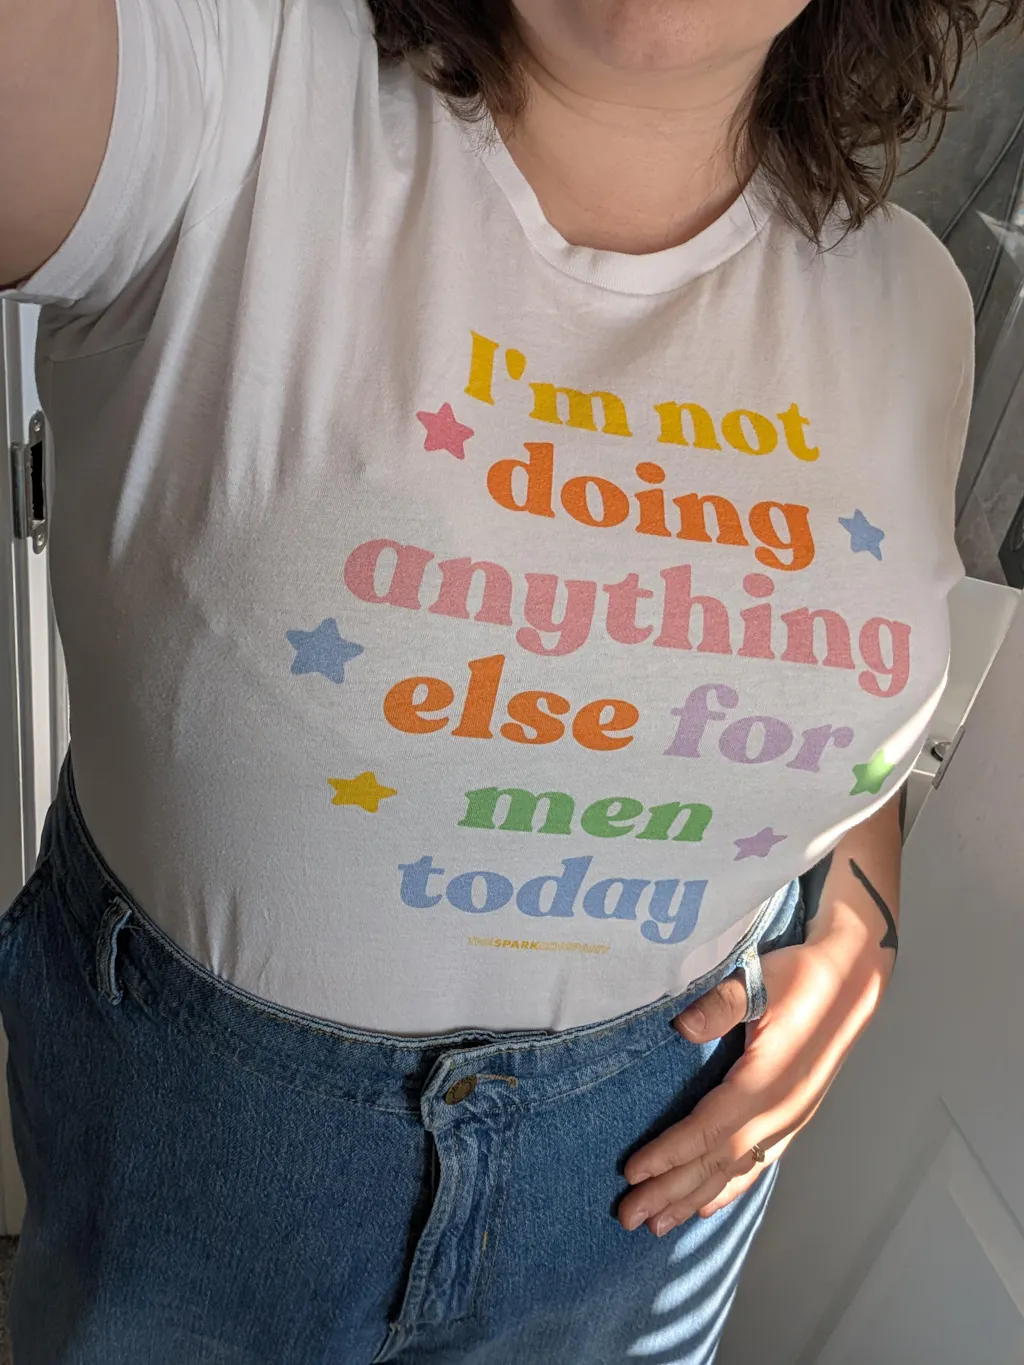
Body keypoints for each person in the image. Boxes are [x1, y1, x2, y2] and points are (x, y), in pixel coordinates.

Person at [0, 1, 1018, 1361]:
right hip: (207, 1167)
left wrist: (860, 928)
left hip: (646, 1180)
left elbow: (825, 703)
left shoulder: (915, 301)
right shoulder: (223, 92)